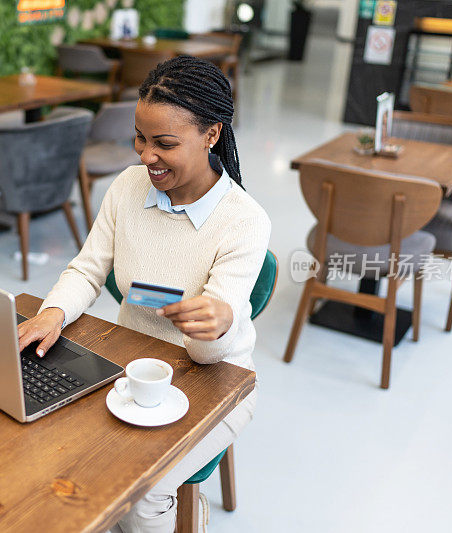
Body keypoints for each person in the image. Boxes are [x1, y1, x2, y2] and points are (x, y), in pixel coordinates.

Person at [18, 56, 270, 532]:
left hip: (218, 380)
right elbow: (89, 269)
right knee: (52, 443)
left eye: (165, 144)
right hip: (133, 367)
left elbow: (209, 353)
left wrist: (215, 326)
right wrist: (53, 312)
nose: (145, 156)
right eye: (140, 137)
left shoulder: (245, 221)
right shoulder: (129, 187)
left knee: (142, 490)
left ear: (212, 134)